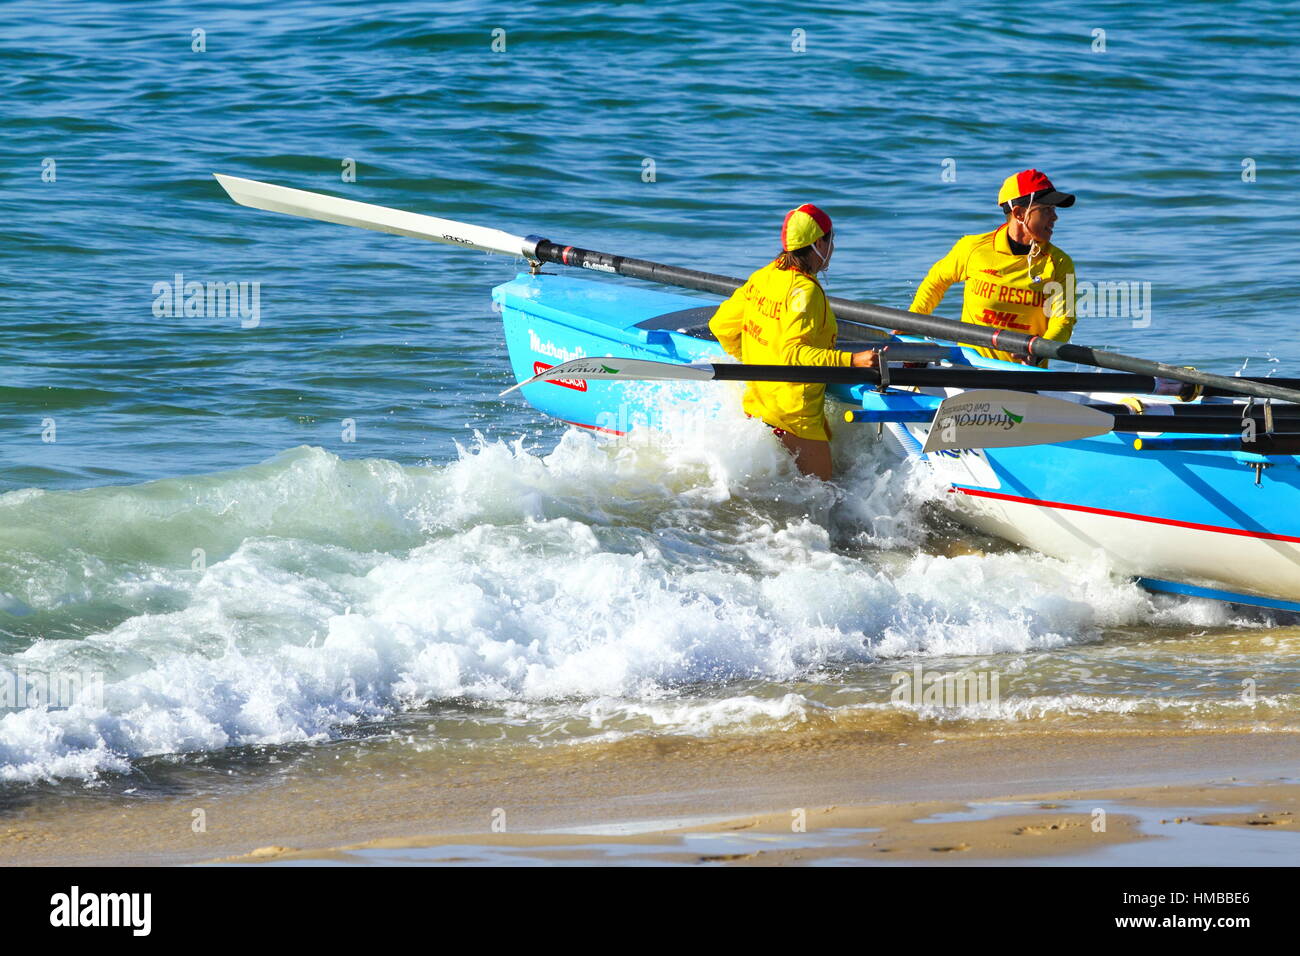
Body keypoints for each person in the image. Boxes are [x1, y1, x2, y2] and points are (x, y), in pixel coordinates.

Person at [709, 204, 878, 480]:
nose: (833, 247)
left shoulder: (764, 276)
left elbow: (721, 326)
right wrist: (853, 360)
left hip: (759, 407)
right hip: (797, 420)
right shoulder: (806, 291)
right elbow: (794, 353)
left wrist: (759, 361)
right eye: (831, 239)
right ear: (818, 243)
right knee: (827, 505)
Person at [908, 169, 1077, 365]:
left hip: (1026, 373)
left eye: (1054, 209)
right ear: (1019, 213)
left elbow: (1063, 321)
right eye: (1046, 209)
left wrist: (1039, 352)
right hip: (969, 369)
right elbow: (936, 282)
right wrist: (911, 327)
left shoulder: (1060, 263)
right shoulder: (972, 248)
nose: (1055, 217)